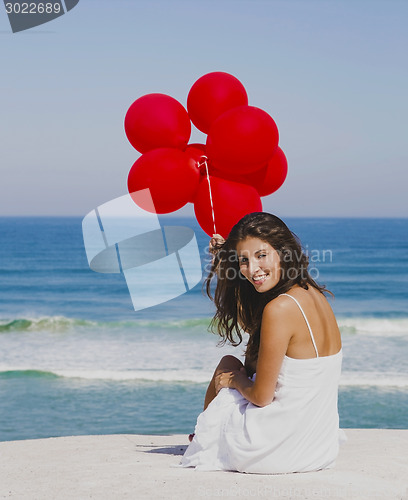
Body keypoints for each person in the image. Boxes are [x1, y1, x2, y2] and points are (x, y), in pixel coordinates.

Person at [180, 212, 343, 474]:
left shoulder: (279, 309)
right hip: (318, 448)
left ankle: (205, 438)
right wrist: (226, 265)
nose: (252, 269)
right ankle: (208, 435)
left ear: (283, 252)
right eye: (243, 260)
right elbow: (257, 331)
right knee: (239, 364)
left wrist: (234, 381)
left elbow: (261, 397)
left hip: (277, 453)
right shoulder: (312, 293)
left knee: (228, 366)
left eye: (261, 255)